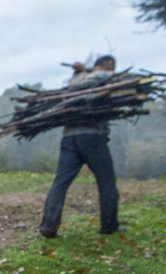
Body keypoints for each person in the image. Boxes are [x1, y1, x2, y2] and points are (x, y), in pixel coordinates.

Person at [38, 55, 121, 237]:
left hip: (69, 138)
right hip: (92, 137)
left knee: (60, 183)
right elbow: (116, 79)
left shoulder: (75, 79)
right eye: (112, 67)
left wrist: (81, 70)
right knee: (107, 182)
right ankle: (109, 225)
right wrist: (94, 70)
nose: (113, 70)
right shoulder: (102, 76)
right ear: (107, 65)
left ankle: (48, 226)